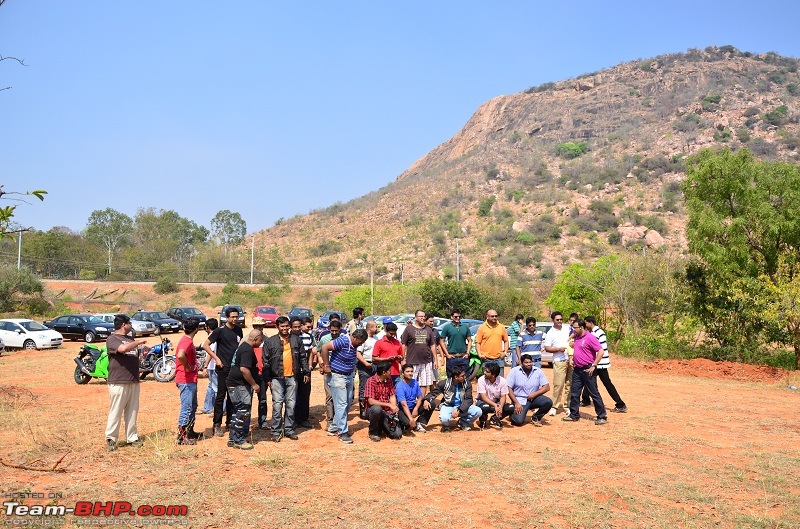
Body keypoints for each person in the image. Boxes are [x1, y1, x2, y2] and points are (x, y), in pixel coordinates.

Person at [104, 314, 148, 451]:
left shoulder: (130, 339)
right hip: (118, 380)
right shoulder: (112, 339)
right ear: (123, 324)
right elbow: (122, 349)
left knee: (132, 410)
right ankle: (111, 438)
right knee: (116, 410)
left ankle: (132, 437)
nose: (131, 326)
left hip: (133, 380)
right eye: (129, 323)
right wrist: (138, 343)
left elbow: (132, 355)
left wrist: (142, 355)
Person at [264, 316, 309, 442]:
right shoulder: (270, 342)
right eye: (282, 326)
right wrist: (267, 378)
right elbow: (265, 361)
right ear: (277, 327)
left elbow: (302, 358)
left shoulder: (296, 340)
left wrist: (306, 372)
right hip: (276, 378)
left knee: (291, 404)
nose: (284, 328)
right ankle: (276, 432)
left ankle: (289, 429)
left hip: (292, 377)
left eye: (286, 326)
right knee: (277, 405)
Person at [320, 328, 368, 444]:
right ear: (354, 337)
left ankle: (333, 427)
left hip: (348, 376)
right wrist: (326, 365)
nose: (360, 345)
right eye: (360, 342)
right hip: (338, 376)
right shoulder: (343, 341)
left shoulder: (353, 344)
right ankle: (342, 432)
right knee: (341, 404)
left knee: (347, 402)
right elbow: (324, 347)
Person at [202, 307, 243, 437]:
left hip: (234, 368)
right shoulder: (219, 331)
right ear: (226, 317)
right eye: (232, 317)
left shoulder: (238, 330)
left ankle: (230, 422)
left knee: (233, 396)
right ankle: (217, 424)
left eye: (236, 317)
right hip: (222, 368)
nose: (235, 319)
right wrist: (216, 359)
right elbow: (205, 345)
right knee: (220, 396)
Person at [562, 319, 607, 425]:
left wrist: (594, 365)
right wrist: (572, 359)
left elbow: (600, 351)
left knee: (594, 393)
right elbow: (576, 350)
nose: (573, 329)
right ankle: (574, 415)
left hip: (588, 370)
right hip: (577, 370)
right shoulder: (577, 337)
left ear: (581, 327)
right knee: (574, 393)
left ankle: (602, 416)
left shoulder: (590, 337)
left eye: (575, 328)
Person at [580, 316, 627, 413]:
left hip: (599, 363)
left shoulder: (596, 333)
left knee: (606, 383)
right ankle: (585, 399)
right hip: (599, 362)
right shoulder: (598, 332)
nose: (585, 325)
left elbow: (596, 349)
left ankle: (620, 404)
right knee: (589, 380)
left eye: (586, 323)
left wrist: (593, 363)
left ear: (590, 323)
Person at [225, 329, 263, 450]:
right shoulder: (247, 350)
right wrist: (254, 384)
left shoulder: (244, 347)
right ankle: (239, 440)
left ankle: (233, 438)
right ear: (255, 339)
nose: (261, 343)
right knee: (242, 412)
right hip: (239, 385)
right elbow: (244, 370)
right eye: (261, 340)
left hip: (236, 384)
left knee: (238, 412)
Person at [424, 367, 482, 432]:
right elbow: (433, 393)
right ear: (456, 377)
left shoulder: (467, 384)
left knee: (478, 411)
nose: (465, 377)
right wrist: (426, 400)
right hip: (448, 406)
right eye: (462, 376)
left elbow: (469, 399)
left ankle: (462, 423)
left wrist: (459, 409)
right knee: (444, 418)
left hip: (462, 406)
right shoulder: (444, 383)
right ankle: (446, 426)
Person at [175, 317, 203, 445]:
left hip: (189, 379)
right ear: (196, 328)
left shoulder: (187, 340)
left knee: (192, 406)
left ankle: (189, 431)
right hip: (186, 379)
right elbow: (181, 355)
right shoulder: (186, 341)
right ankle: (182, 436)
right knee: (187, 407)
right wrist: (187, 367)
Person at [506, 354, 552, 426]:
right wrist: (516, 403)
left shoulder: (538, 371)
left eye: (530, 362)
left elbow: (547, 387)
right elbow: (509, 388)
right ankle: (512, 413)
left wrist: (535, 394)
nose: (529, 364)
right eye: (526, 362)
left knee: (548, 402)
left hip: (534, 399)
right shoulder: (514, 371)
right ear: (521, 363)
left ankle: (536, 417)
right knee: (518, 421)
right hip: (519, 400)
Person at [400, 310, 437, 395]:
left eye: (424, 316)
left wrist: (435, 360)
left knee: (423, 384)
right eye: (421, 316)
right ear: (416, 317)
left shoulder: (428, 329)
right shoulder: (409, 329)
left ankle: (421, 401)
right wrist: (403, 359)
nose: (423, 318)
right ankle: (411, 401)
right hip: (412, 361)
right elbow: (404, 344)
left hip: (426, 361)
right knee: (411, 382)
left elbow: (432, 345)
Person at [364, 363, 402, 442]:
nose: (390, 372)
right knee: (377, 409)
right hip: (373, 410)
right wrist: (389, 404)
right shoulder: (371, 381)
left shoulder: (389, 380)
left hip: (387, 411)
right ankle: (373, 432)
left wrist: (393, 408)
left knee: (397, 435)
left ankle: (381, 426)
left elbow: (392, 395)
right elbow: (370, 401)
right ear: (384, 372)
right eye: (389, 371)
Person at [315, 319, 342, 432]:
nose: (334, 333)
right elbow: (317, 350)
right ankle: (330, 420)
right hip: (329, 371)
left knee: (340, 397)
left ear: (340, 330)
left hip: (340, 371)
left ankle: (339, 420)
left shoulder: (343, 339)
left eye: (336, 331)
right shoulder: (325, 339)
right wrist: (321, 363)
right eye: (332, 331)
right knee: (330, 396)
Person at [543, 311, 571, 416]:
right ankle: (554, 406)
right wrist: (558, 349)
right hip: (559, 361)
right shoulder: (550, 333)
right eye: (557, 319)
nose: (559, 321)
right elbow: (547, 347)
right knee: (558, 385)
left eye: (561, 319)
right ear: (552, 320)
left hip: (571, 360)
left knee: (569, 384)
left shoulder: (567, 329)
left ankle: (567, 406)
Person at [395, 364, 433, 434]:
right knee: (407, 424)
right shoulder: (400, 386)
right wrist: (411, 419)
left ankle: (418, 423)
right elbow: (403, 405)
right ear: (403, 373)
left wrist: (416, 408)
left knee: (431, 404)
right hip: (402, 410)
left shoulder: (415, 382)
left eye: (411, 371)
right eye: (407, 371)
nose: (410, 373)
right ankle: (404, 424)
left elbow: (420, 397)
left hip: (413, 407)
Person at [476, 363, 515, 429]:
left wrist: (500, 407)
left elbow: (503, 396)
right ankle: (482, 420)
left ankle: (495, 418)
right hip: (483, 402)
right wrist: (495, 405)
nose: (484, 373)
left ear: (493, 375)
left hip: (496, 403)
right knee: (485, 407)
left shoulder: (503, 381)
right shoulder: (481, 380)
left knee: (511, 407)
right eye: (485, 371)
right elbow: (483, 397)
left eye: (487, 372)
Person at [295, 316, 316, 428]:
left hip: (305, 371)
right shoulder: (289, 337)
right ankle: (292, 419)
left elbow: (310, 353)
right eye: (296, 326)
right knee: (292, 396)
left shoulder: (308, 337)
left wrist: (309, 368)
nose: (298, 329)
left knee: (304, 395)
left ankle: (303, 418)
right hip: (292, 371)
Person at [475, 309, 509, 374]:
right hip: (486, 359)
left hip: (499, 359)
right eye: (492, 316)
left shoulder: (501, 327)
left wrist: (505, 352)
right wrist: (480, 354)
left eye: (496, 316)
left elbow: (506, 341)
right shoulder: (482, 328)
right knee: (487, 382)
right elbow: (478, 342)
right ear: (487, 317)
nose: (494, 318)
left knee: (500, 382)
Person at [439, 309, 472, 375]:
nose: (458, 318)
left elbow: (470, 340)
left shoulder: (465, 327)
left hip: (463, 357)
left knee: (465, 378)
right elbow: (441, 341)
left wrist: (467, 353)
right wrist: (447, 354)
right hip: (452, 357)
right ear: (451, 317)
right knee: (451, 379)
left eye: (459, 317)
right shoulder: (447, 327)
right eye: (456, 317)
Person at [356, 320, 378, 419]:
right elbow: (358, 353)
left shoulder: (376, 338)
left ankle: (371, 409)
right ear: (370, 328)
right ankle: (363, 410)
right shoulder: (364, 338)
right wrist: (365, 363)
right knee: (363, 387)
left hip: (374, 365)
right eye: (375, 327)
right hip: (364, 365)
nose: (377, 329)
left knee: (373, 387)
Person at [250, 316, 269, 430]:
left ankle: (262, 421)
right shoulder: (247, 339)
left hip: (263, 374)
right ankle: (245, 422)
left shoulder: (268, 340)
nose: (258, 328)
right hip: (250, 374)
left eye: (260, 326)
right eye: (256, 326)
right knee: (247, 399)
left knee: (262, 399)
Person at [372, 320, 403, 384]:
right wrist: (387, 359)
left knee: (397, 392)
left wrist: (400, 358)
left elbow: (402, 357)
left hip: (395, 373)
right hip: (383, 373)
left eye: (394, 334)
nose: (393, 336)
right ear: (386, 331)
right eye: (391, 334)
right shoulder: (379, 342)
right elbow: (374, 359)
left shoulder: (398, 343)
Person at [199, 318, 219, 414]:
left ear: (208, 327)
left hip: (213, 366)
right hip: (214, 366)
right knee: (211, 387)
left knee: (216, 388)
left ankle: (221, 408)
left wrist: (205, 366)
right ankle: (207, 407)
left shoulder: (213, 337)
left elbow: (211, 352)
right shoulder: (218, 335)